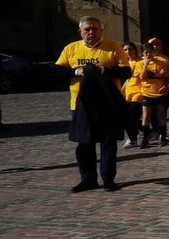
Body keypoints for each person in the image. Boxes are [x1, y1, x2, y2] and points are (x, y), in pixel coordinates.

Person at [55, 16, 130, 192]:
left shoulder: (112, 47)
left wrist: (102, 70)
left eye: (95, 29)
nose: (91, 32)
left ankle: (108, 178)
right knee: (84, 143)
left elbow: (126, 71)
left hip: (107, 104)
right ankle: (88, 178)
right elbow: (56, 71)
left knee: (108, 142)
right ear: (80, 31)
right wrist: (76, 71)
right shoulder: (71, 48)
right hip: (81, 105)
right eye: (87, 29)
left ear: (101, 30)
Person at [134, 38, 169, 148]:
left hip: (159, 92)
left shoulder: (161, 63)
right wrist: (146, 63)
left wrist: (165, 84)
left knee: (161, 114)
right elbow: (142, 76)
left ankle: (163, 137)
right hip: (147, 92)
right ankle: (145, 139)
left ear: (153, 52)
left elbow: (166, 77)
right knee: (146, 116)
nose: (148, 54)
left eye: (150, 51)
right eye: (145, 52)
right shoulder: (140, 64)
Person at [120, 43, 144, 148]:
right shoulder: (124, 63)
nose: (128, 51)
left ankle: (132, 139)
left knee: (133, 115)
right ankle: (148, 131)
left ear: (135, 50)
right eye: (125, 50)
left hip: (138, 91)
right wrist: (122, 89)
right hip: (127, 92)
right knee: (126, 117)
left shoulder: (141, 61)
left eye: (130, 49)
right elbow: (127, 78)